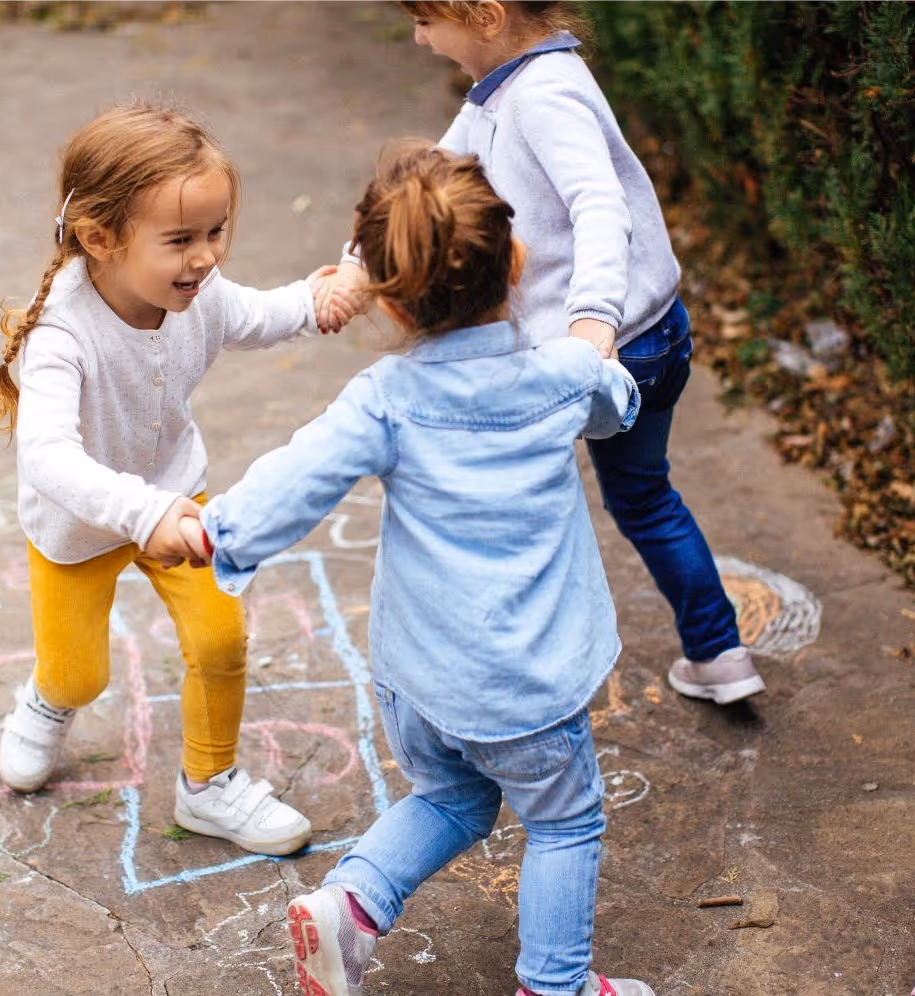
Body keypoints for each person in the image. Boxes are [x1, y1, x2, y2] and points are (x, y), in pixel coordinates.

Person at [188, 145, 653, 996]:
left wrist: (221, 531)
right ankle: (556, 986)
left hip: (419, 679)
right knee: (564, 821)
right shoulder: (559, 378)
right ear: (516, 261)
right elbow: (617, 404)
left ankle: (352, 905)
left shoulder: (387, 398)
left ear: (390, 303)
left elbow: (300, 476)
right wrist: (597, 347)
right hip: (529, 686)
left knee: (453, 799)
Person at [318, 0, 764, 705]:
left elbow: (599, 203)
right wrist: (354, 264)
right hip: (652, 331)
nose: (418, 38)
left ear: (486, 16)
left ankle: (520, 672)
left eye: (428, 22)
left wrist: (592, 321)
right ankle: (719, 655)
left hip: (606, 351)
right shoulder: (508, 86)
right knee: (645, 498)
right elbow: (428, 181)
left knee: (520, 503)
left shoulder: (544, 96)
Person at [0, 101, 338, 856]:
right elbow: (48, 457)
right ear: (99, 238)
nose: (205, 257)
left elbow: (265, 312)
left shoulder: (199, 296)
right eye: (180, 240)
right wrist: (144, 515)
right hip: (80, 526)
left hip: (178, 494)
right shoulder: (61, 336)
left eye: (215, 232)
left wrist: (321, 298)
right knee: (80, 676)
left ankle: (210, 786)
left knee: (220, 637)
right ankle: (47, 702)